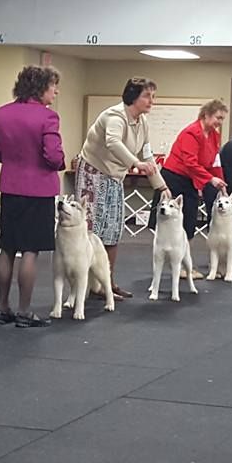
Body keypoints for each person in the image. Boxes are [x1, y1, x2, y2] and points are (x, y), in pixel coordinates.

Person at [75, 77, 169, 300]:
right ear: (132, 96)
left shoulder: (142, 122)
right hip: (93, 173)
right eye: (147, 96)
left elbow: (147, 153)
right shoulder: (114, 116)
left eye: (153, 96)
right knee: (93, 230)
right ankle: (85, 284)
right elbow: (113, 143)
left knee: (113, 229)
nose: (151, 101)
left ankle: (106, 283)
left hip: (115, 176)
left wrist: (161, 186)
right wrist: (134, 164)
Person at [0, 65, 65, 328]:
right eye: (53, 86)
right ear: (41, 87)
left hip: (9, 186)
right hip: (39, 190)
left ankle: (2, 307)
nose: (56, 91)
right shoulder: (48, 117)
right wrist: (60, 163)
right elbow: (53, 156)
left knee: (7, 248)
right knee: (30, 250)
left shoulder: (2, 113)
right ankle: (24, 311)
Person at [156, 100, 229, 244]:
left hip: (191, 179)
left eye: (222, 119)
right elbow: (190, 163)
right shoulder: (191, 133)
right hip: (175, 178)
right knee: (171, 223)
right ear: (206, 115)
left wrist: (221, 183)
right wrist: (210, 179)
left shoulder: (215, 135)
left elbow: (215, 161)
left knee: (189, 223)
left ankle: (184, 263)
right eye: (218, 118)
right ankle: (174, 262)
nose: (220, 122)